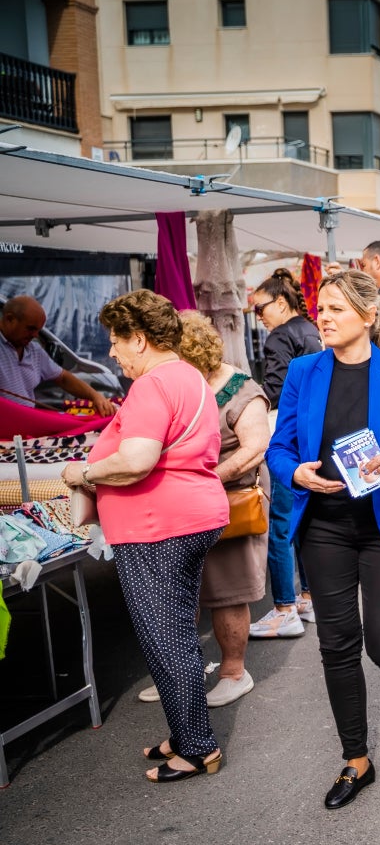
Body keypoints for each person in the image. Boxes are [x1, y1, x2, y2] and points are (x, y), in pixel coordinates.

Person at [266, 268, 380, 809]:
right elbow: (280, 448)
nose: (324, 317)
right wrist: (294, 473)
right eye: (321, 308)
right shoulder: (302, 372)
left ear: (369, 317)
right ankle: (356, 760)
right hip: (323, 529)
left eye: (337, 309)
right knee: (337, 646)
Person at [60, 290, 227, 782]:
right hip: (189, 518)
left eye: (115, 341)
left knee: (166, 639)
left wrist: (83, 473)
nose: (111, 352)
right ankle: (186, 732)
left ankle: (198, 748)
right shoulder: (189, 376)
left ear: (139, 339)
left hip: (157, 526)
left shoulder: (153, 385)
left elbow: (136, 461)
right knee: (176, 633)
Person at [146, 313, 269, 708]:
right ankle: (185, 669)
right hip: (182, 499)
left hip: (229, 497)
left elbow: (254, 448)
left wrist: (208, 477)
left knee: (227, 591)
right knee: (181, 587)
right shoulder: (178, 383)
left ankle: (234, 672)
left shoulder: (240, 390)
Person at [248, 269, 322, 638]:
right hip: (313, 435)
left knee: (280, 525)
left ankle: (284, 608)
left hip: (286, 435)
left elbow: (274, 389)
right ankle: (307, 597)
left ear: (280, 303)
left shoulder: (281, 336)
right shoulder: (311, 330)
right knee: (302, 518)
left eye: (260, 309)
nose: (258, 318)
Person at [0, 295, 116, 414]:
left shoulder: (34, 351)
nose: (35, 335)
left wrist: (95, 396)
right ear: (9, 319)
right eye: (30, 329)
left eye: (38, 331)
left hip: (27, 422)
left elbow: (63, 378)